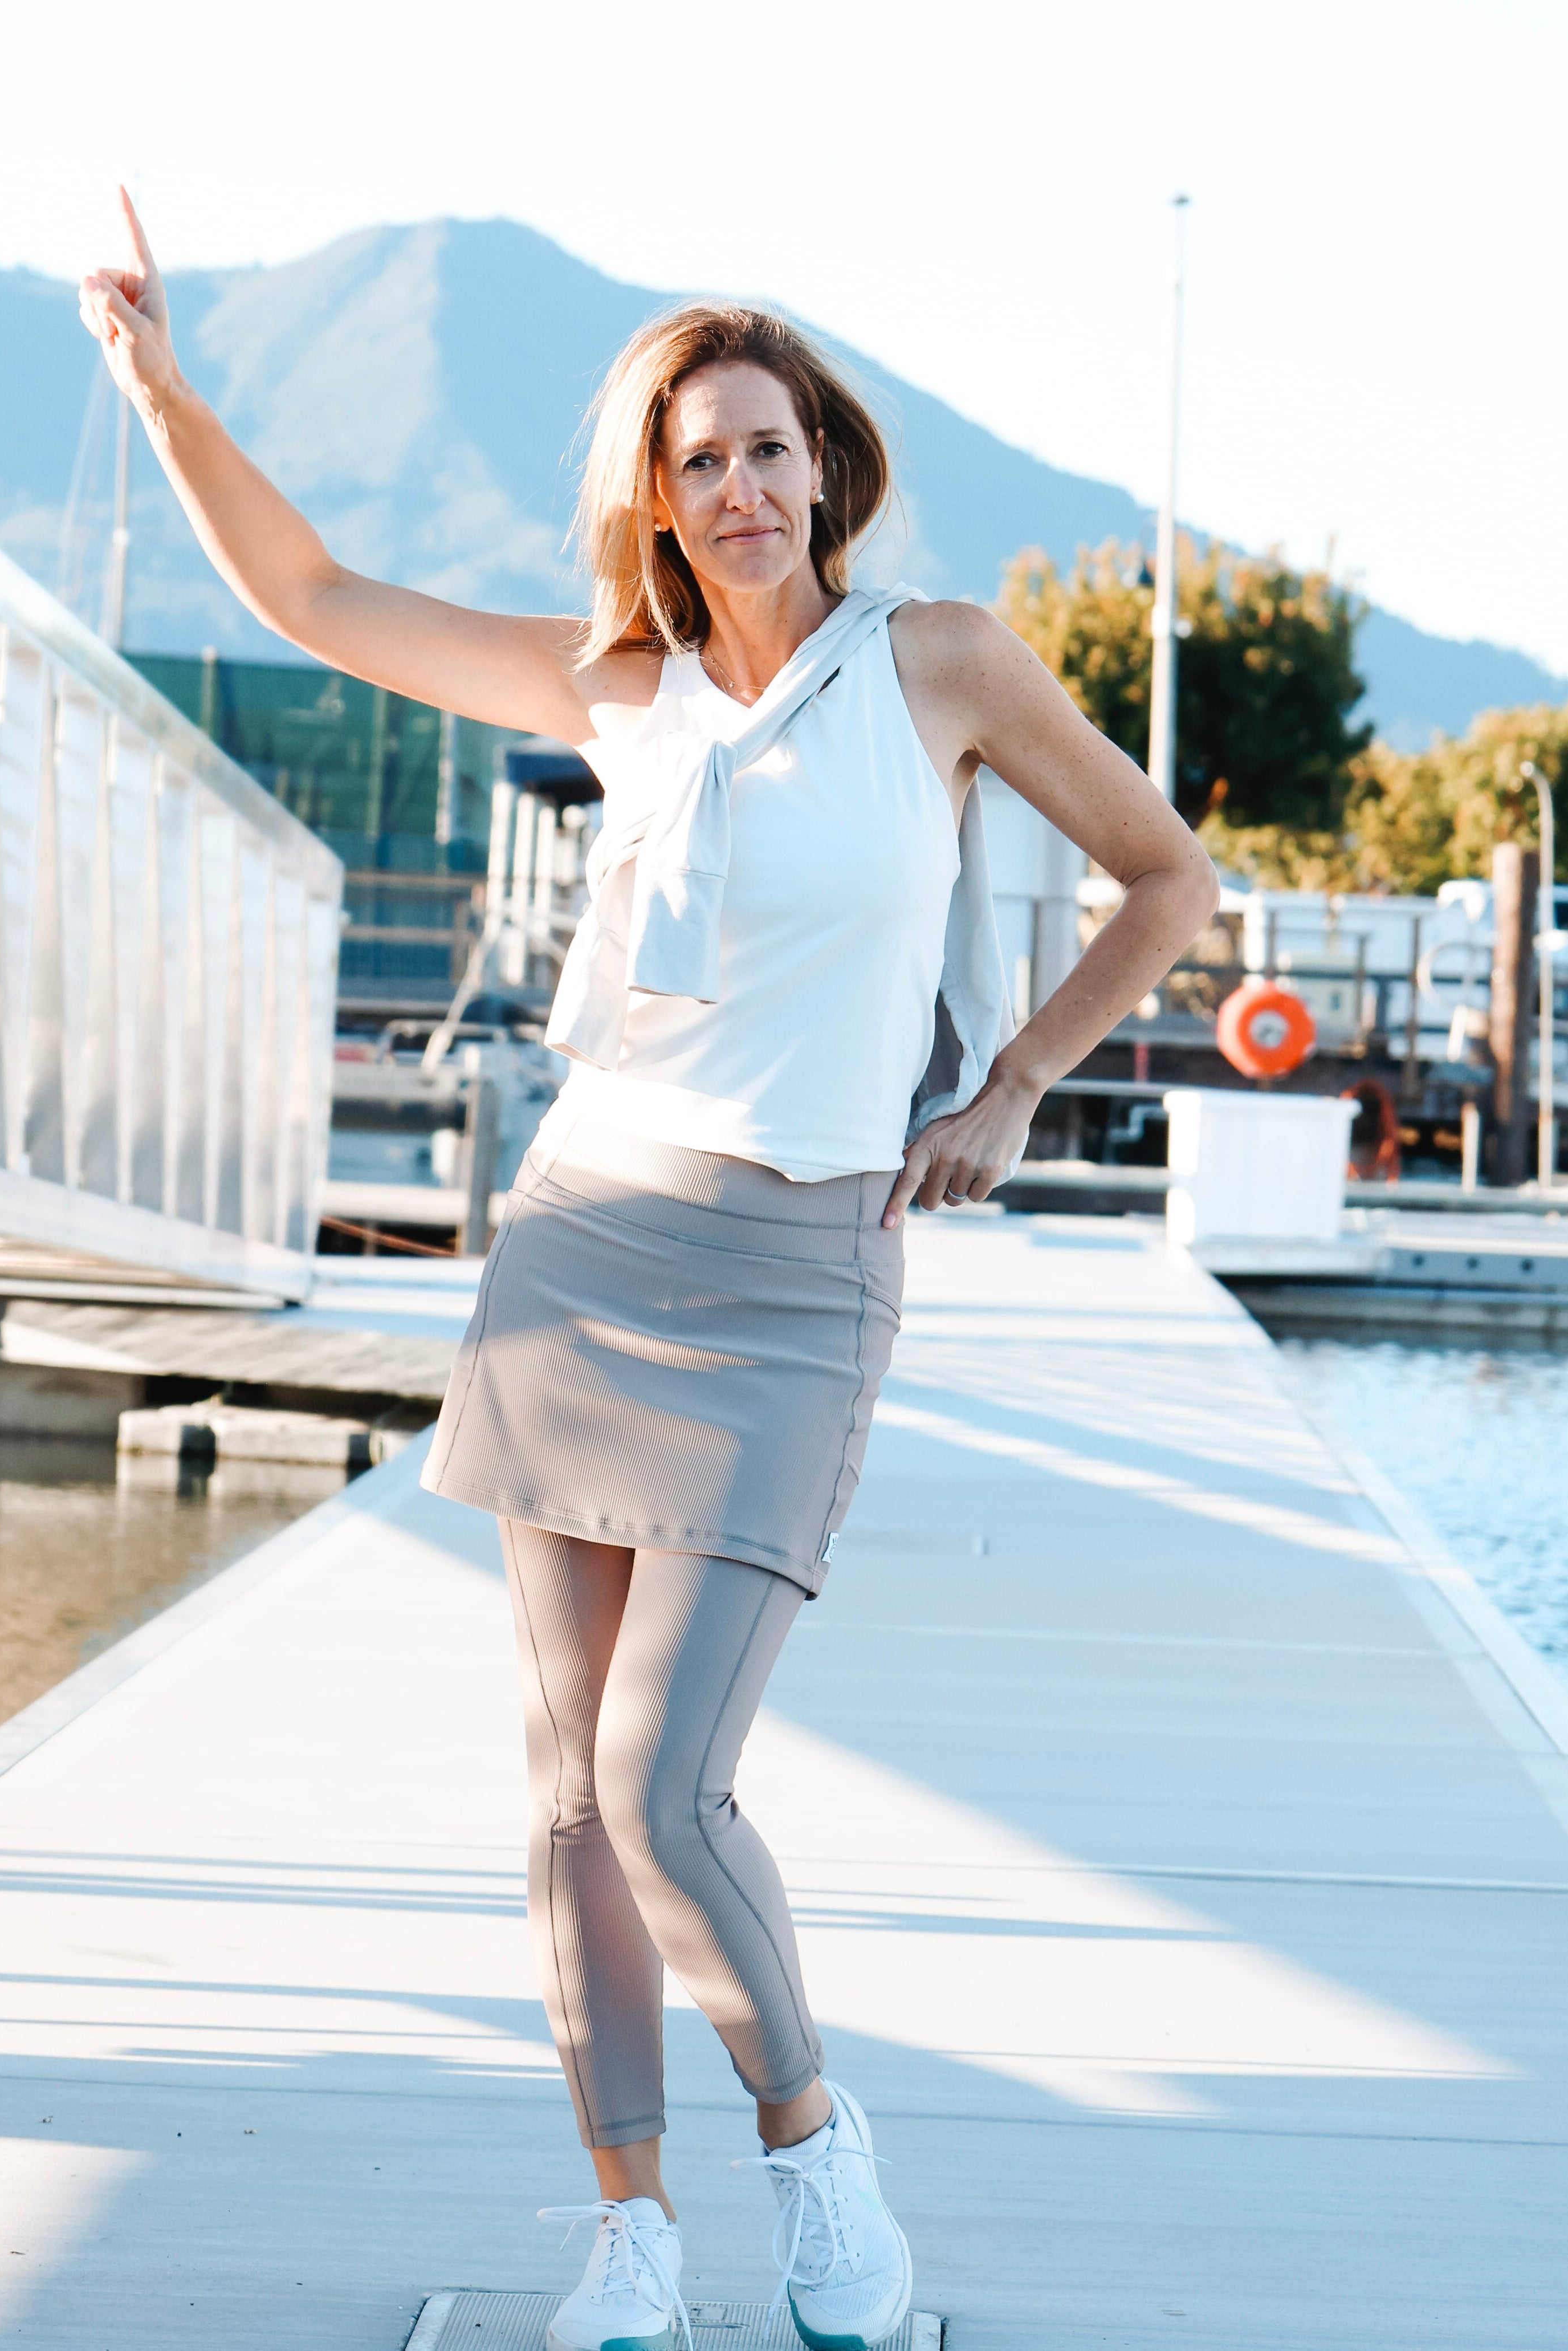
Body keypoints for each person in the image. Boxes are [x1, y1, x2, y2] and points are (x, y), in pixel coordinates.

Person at [80, 189, 1217, 2351]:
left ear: (826, 467)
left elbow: (1162, 878)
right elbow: (313, 594)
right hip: (586, 1243)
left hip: (801, 1269)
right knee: (558, 1783)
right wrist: (159, 390)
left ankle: (813, 2154)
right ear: (661, 500)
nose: (743, 485)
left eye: (771, 446)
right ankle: (628, 2229)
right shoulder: (618, 686)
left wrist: (1013, 1090)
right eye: (700, 457)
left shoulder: (943, 662)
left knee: (657, 1776)